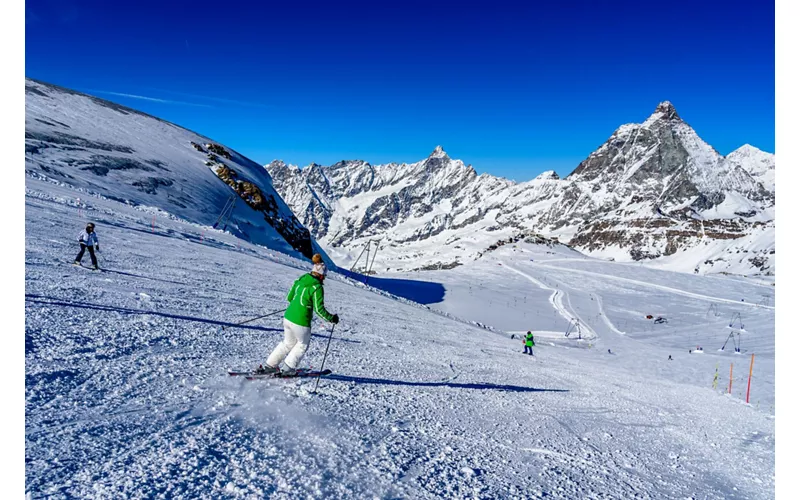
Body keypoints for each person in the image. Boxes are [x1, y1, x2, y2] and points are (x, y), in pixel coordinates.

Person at [258, 254, 339, 376]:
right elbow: (318, 309)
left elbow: (290, 297)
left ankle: (270, 366)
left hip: (288, 317)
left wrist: (298, 305)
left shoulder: (301, 280)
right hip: (301, 321)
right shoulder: (316, 287)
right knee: (302, 345)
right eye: (324, 276)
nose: (324, 279)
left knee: (287, 343)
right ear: (321, 275)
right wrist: (331, 318)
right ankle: (288, 369)